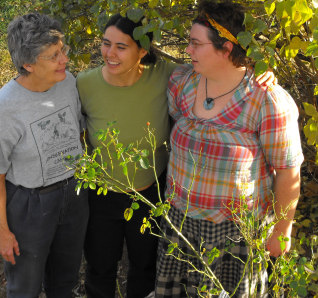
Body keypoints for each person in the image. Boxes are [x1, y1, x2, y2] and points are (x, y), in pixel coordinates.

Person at [76, 12, 276, 298]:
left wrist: (260, 70)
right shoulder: (84, 84)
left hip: (151, 193)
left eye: (121, 47)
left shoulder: (167, 75)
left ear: (142, 50)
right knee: (100, 267)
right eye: (106, 43)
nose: (110, 53)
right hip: (102, 196)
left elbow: (219, 67)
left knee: (145, 268)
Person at [155, 1, 304, 297]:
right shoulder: (181, 83)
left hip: (234, 235)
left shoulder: (267, 100)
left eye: (196, 44)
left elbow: (288, 170)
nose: (187, 50)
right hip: (181, 225)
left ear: (225, 48)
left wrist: (281, 231)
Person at [0, 13, 89, 298]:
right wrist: (2, 230)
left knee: (65, 281)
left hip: (73, 193)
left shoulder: (68, 83)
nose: (64, 59)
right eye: (53, 55)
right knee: (24, 288)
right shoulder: (4, 107)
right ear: (28, 64)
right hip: (30, 206)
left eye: (63, 50)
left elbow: (76, 134)